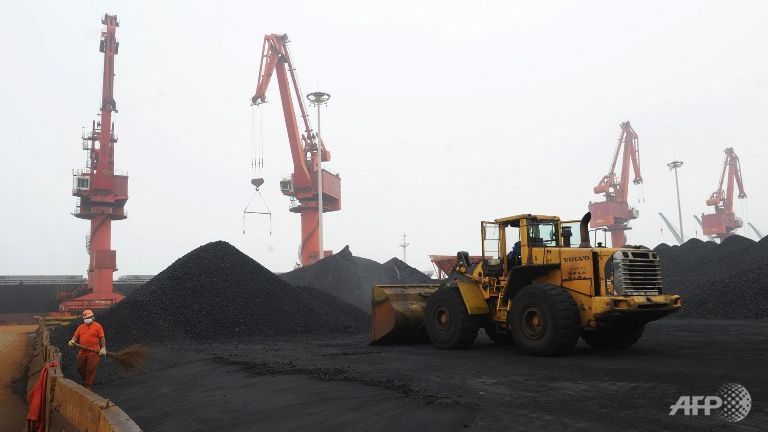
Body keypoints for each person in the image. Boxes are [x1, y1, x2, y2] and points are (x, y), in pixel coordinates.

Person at [68, 309, 106, 390]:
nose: (87, 319)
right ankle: (87, 380)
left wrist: (103, 348)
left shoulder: (98, 326)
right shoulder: (80, 327)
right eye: (85, 318)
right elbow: (75, 336)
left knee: (90, 369)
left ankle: (87, 386)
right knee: (79, 367)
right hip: (82, 351)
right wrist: (72, 341)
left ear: (92, 317)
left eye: (88, 318)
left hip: (94, 352)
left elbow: (102, 338)